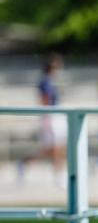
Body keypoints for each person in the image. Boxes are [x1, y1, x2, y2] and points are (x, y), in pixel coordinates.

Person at [17, 53, 67, 188]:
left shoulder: (50, 81)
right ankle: (58, 175)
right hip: (51, 117)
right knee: (54, 148)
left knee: (55, 148)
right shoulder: (45, 82)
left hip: (55, 116)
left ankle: (57, 173)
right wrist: (47, 118)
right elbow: (45, 101)